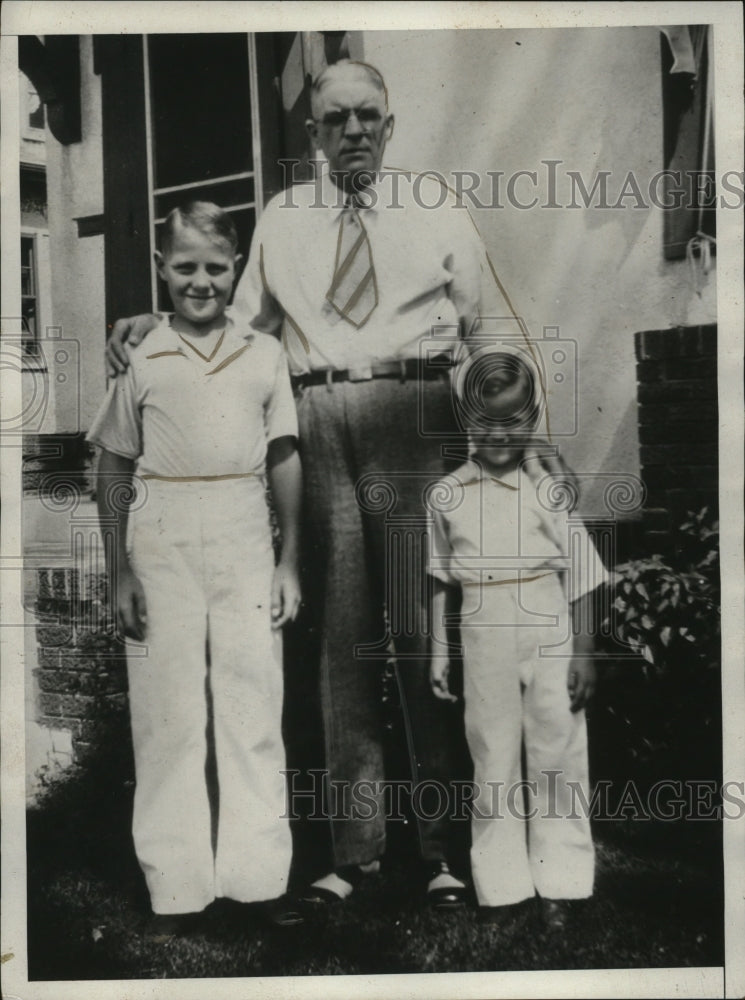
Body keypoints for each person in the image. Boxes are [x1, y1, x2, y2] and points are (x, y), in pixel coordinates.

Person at [105, 60, 569, 909]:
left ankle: (444, 854)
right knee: (338, 641)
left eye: (367, 117)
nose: (351, 132)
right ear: (313, 134)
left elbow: (488, 324)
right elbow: (235, 325)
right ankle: (352, 854)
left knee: (424, 633)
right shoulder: (285, 218)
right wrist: (153, 319)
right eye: (334, 120)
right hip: (318, 418)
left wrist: (526, 434)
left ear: (388, 127)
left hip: (415, 413)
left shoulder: (435, 207)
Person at [89, 201, 303, 936]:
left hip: (244, 528)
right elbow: (113, 465)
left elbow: (282, 457)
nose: (201, 282)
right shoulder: (138, 355)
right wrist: (119, 571)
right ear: (160, 270)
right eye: (184, 268)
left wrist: (288, 560)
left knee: (250, 704)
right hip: (161, 533)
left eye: (215, 267)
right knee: (168, 712)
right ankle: (175, 888)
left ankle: (256, 882)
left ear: (236, 268)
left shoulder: (263, 353)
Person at [428, 349, 608, 927]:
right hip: (483, 625)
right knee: (493, 753)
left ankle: (562, 880)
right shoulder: (446, 494)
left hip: (547, 621)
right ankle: (502, 885)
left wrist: (585, 651)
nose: (498, 433)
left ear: (531, 420)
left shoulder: (549, 490)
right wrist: (438, 650)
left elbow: (582, 575)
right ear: (466, 421)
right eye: (484, 421)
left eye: (511, 420)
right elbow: (440, 582)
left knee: (556, 748)